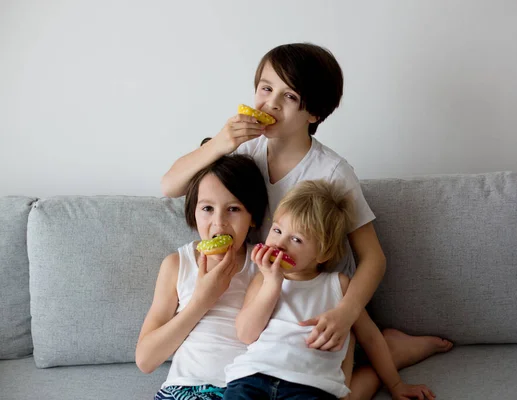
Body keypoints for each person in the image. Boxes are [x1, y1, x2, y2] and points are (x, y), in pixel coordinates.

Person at [162, 43, 452, 397]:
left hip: (322, 298)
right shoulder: (242, 151)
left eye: (289, 97)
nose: (270, 104)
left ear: (313, 113)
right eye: (266, 88)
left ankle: (387, 350)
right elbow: (170, 185)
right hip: (269, 293)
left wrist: (346, 312)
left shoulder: (333, 172)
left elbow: (373, 258)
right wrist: (220, 142)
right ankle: (381, 349)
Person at [223, 180, 435, 400]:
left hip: (310, 386)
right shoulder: (262, 279)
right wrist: (272, 283)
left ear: (323, 253)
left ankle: (398, 350)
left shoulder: (338, 286)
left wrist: (396, 385)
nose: (280, 243)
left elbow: (370, 337)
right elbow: (246, 334)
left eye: (296, 239)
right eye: (277, 230)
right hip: (253, 376)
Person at [136, 153, 268, 399]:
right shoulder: (178, 265)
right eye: (207, 208)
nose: (219, 223)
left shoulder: (263, 266)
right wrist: (202, 300)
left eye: (234, 209)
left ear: (252, 217)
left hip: (244, 390)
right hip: (184, 388)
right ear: (193, 212)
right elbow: (146, 360)